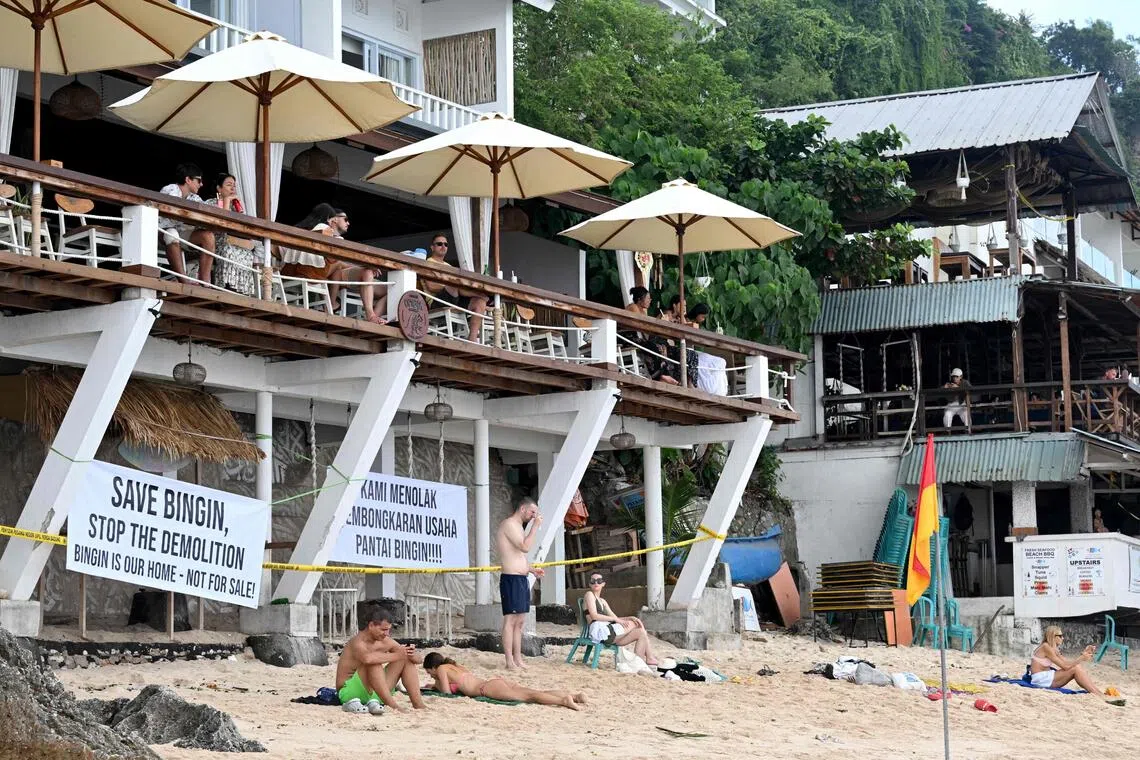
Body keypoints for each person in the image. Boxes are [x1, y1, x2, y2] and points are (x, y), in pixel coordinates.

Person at [280, 203, 387, 323]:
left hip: (287, 274)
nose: (348, 223)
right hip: (310, 275)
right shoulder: (324, 230)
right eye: (345, 219)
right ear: (332, 219)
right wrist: (366, 264)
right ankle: (335, 305)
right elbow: (346, 256)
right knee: (339, 263)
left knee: (341, 264)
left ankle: (333, 304)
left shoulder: (301, 229)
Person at [335, 606, 427, 714]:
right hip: (350, 694)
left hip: (376, 694)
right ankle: (393, 705)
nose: (387, 633)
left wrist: (410, 653)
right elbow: (367, 658)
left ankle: (418, 704)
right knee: (374, 662)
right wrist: (399, 655)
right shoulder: (358, 642)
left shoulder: (385, 640)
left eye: (388, 629)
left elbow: (419, 660)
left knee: (405, 659)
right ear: (371, 625)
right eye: (383, 629)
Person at [423, 652, 584, 710]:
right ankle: (575, 696)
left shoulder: (442, 669)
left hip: (486, 689)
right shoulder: (455, 667)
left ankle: (564, 700)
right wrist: (433, 684)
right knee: (531, 692)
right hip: (494, 682)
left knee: (530, 697)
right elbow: (456, 684)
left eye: (429, 672)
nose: (430, 675)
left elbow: (446, 692)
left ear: (434, 666)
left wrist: (435, 686)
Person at [495, 496, 544, 669]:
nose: (533, 516)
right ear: (522, 509)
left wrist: (530, 569)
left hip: (521, 578)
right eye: (532, 512)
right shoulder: (509, 524)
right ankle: (509, 660)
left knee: (520, 621)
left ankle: (518, 658)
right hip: (511, 579)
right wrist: (535, 527)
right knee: (511, 620)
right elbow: (524, 547)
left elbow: (518, 555)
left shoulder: (518, 527)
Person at [422, 234, 489, 340]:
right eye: (439, 244)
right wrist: (450, 286)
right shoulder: (428, 263)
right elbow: (431, 287)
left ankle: (472, 338)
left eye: (446, 244)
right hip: (436, 302)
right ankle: (477, 293)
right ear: (432, 247)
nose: (443, 246)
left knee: (480, 301)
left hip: (454, 299)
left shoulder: (449, 267)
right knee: (454, 284)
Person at [583, 573, 659, 666]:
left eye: (599, 581)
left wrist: (630, 617)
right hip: (599, 631)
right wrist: (620, 621)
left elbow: (615, 618)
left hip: (609, 632)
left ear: (603, 584)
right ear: (589, 584)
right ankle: (650, 657)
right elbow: (594, 616)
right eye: (593, 581)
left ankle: (638, 664)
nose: (596, 583)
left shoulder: (602, 601)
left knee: (641, 633)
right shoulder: (589, 594)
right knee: (635, 624)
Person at [157, 163, 215, 283]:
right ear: (188, 179)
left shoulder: (193, 197)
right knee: (172, 233)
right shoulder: (171, 189)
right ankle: (184, 281)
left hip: (180, 234)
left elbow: (206, 211)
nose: (202, 184)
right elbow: (174, 209)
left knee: (208, 236)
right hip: (159, 233)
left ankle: (205, 282)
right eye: (198, 180)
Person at [203, 173, 258, 296]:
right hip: (215, 241)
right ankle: (226, 286)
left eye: (234, 186)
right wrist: (226, 201)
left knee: (247, 254)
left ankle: (240, 290)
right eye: (229, 185)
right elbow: (222, 224)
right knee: (228, 250)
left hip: (233, 241)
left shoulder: (235, 206)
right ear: (219, 188)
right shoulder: (211, 203)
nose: (233, 188)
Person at [1027, 625, 1105, 694]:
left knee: (1076, 667)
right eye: (1060, 636)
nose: (1063, 638)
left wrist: (1083, 653)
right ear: (1053, 636)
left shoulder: (1053, 648)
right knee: (1075, 668)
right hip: (1040, 679)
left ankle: (1097, 692)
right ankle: (1096, 693)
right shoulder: (1046, 647)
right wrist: (1082, 658)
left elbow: (1066, 662)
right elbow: (1065, 667)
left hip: (1046, 677)